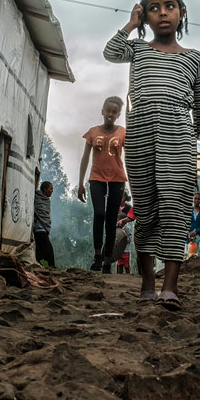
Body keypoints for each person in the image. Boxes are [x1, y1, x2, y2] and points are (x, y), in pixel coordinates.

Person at [103, 0, 200, 311]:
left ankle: (170, 287)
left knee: (175, 209)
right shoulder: (136, 49)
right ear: (144, 16)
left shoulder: (193, 58)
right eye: (153, 8)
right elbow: (110, 51)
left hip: (179, 136)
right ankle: (148, 283)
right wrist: (129, 25)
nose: (162, 12)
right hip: (139, 136)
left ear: (181, 13)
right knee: (147, 209)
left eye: (170, 6)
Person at [77, 96, 127, 274]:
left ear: (118, 114)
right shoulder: (92, 132)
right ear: (103, 111)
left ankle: (107, 261)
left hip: (117, 178)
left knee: (111, 219)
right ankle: (97, 256)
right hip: (96, 177)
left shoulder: (122, 132)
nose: (110, 114)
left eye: (114, 112)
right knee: (99, 214)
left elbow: (130, 155)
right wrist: (81, 183)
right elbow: (85, 158)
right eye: (108, 110)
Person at [32, 181, 55, 268]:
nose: (52, 191)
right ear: (45, 190)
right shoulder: (37, 197)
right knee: (48, 249)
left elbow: (45, 214)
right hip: (39, 228)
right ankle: (52, 267)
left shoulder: (47, 201)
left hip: (43, 228)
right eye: (50, 189)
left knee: (39, 250)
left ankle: (41, 266)